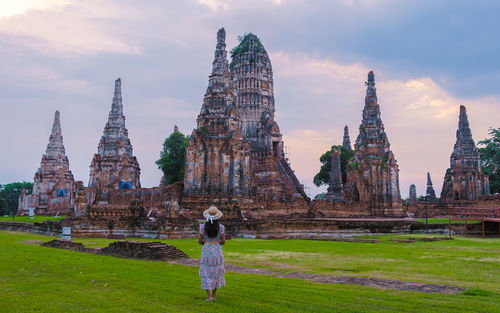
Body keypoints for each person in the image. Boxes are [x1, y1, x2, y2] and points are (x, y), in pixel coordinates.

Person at [198, 206, 226, 301]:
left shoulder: (203, 227)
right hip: (217, 250)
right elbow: (223, 241)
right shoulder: (221, 227)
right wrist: (216, 243)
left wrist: (206, 243)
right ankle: (214, 295)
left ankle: (209, 296)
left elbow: (199, 241)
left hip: (206, 250)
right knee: (216, 273)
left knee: (206, 273)